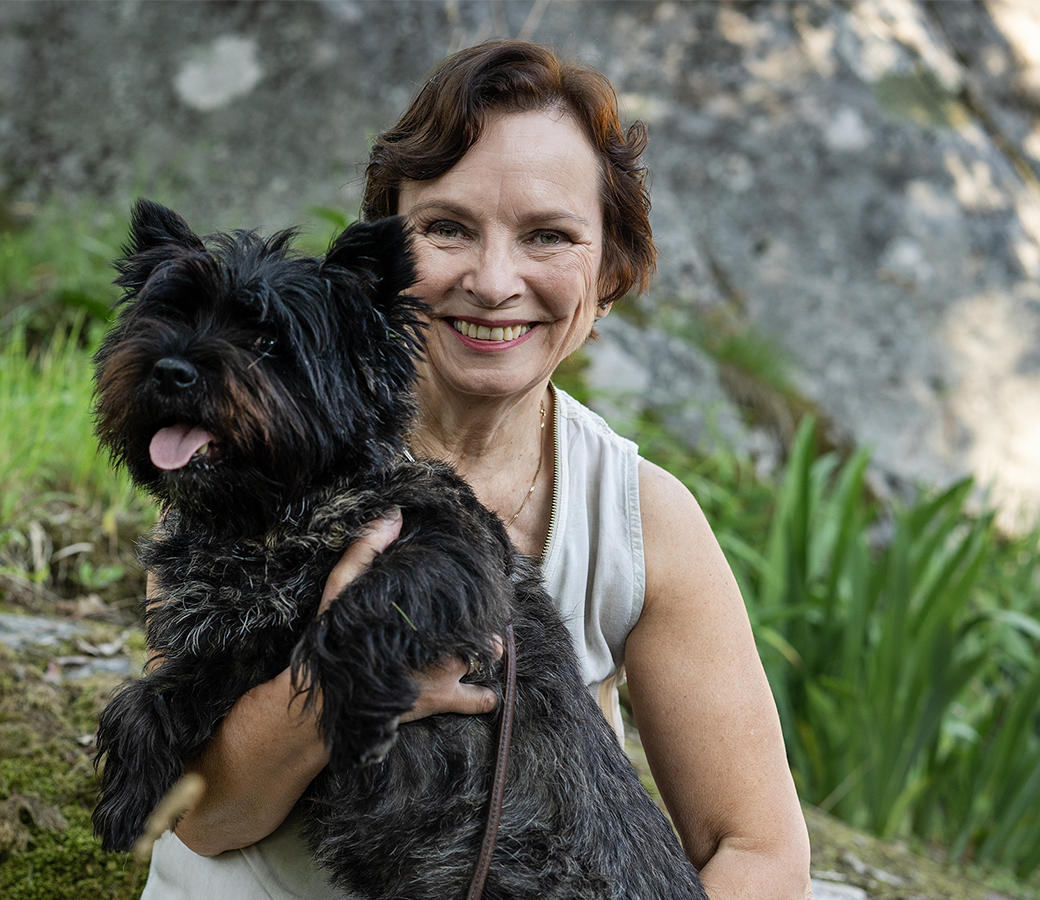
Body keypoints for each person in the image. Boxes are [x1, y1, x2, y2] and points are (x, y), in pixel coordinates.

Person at [140, 41, 811, 899]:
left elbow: (759, 852)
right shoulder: (252, 450)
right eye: (448, 228)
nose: (495, 282)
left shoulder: (638, 520)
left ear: (607, 273)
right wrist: (349, 683)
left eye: (549, 236)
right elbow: (199, 813)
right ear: (379, 266)